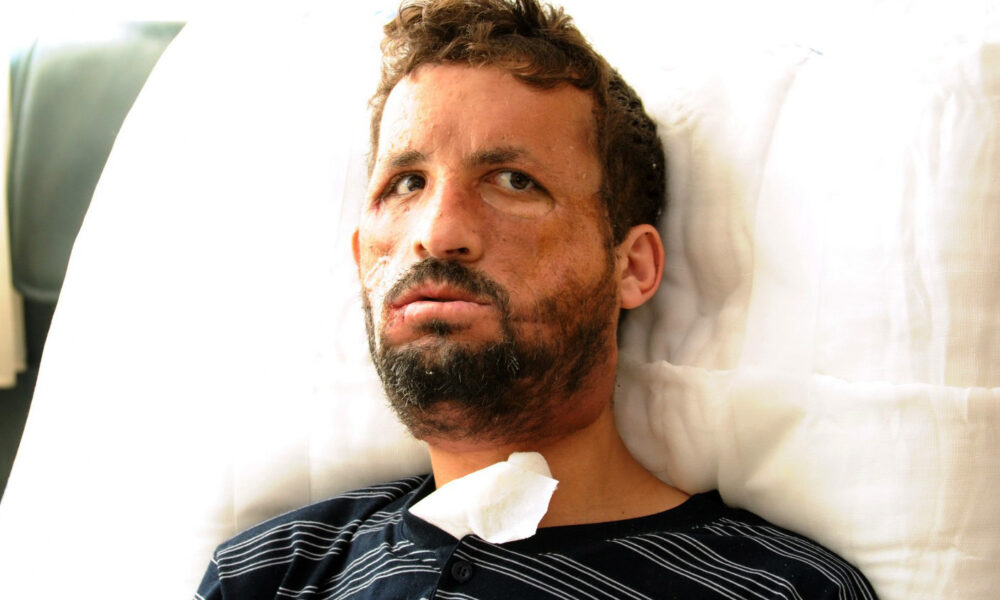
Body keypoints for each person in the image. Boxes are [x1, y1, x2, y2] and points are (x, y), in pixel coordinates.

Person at [195, 0, 877, 598]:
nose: (437, 233)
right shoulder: (264, 575)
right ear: (359, 257)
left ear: (632, 267)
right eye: (405, 184)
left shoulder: (779, 589)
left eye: (513, 180)